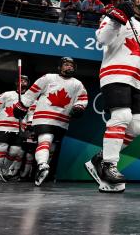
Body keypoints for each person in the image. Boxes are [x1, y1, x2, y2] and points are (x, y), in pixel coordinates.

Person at [85, 0, 140, 193]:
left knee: (138, 126)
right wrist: (116, 18)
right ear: (131, 2)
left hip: (139, 80)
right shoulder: (114, 15)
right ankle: (109, 166)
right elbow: (102, 40)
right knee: (121, 116)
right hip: (115, 73)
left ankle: (99, 158)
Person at [14, 57, 88, 186]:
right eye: (66, 64)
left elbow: (82, 98)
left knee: (51, 147)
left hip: (62, 121)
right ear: (59, 67)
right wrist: (22, 105)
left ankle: (42, 168)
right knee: (45, 140)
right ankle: (42, 165)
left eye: (71, 65)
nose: (69, 67)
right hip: (44, 117)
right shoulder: (48, 78)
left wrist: (79, 107)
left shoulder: (77, 84)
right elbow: (32, 93)